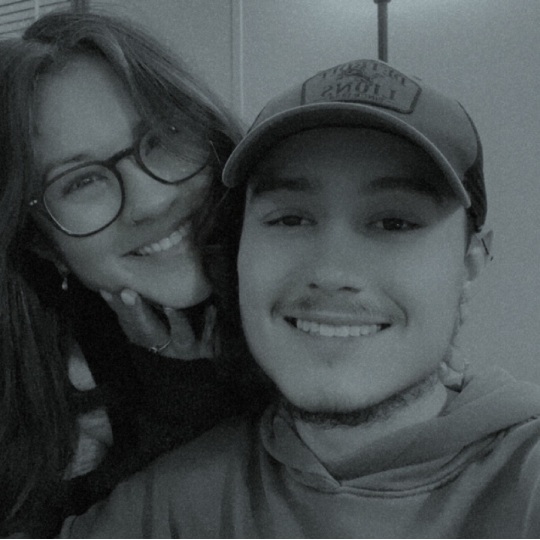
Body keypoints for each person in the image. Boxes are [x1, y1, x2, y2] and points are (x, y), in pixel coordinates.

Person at [60, 58, 540, 538]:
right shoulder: (167, 506)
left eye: (394, 222)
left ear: (471, 262)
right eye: (290, 219)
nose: (331, 273)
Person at [0, 10, 270, 537]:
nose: (151, 200)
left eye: (164, 136)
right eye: (81, 181)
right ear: (41, 242)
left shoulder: (311, 308)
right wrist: (180, 402)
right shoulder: (34, 396)